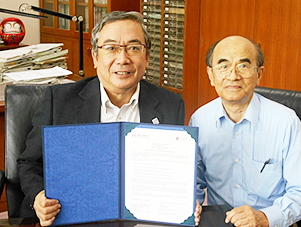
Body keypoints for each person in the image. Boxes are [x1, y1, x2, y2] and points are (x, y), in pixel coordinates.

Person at [17, 11, 185, 226]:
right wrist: (39, 197)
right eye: (111, 48)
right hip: (73, 217)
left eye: (134, 48)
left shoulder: (171, 104)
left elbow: (173, 172)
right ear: (96, 57)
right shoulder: (59, 101)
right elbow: (29, 162)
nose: (122, 59)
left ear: (147, 57)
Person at [190, 36, 301, 227]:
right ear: (210, 75)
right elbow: (194, 182)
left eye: (243, 66)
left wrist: (264, 217)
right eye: (223, 66)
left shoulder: (286, 122)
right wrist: (192, 204)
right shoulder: (199, 120)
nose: (232, 76)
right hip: (219, 221)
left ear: (259, 74)